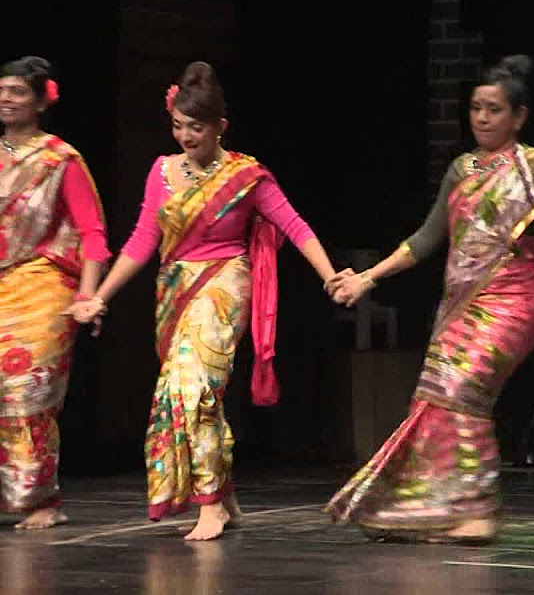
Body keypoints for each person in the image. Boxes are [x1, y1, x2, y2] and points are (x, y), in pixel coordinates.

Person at [325, 55, 534, 543]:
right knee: (439, 395)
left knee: (465, 388)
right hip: (466, 301)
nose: (481, 117)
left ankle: (476, 509)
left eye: (494, 109)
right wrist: (369, 277)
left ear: (517, 117)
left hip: (521, 297)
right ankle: (440, 508)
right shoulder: (462, 169)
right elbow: (427, 237)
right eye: (476, 108)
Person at [66, 61, 340, 541]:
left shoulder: (246, 176)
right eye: (177, 125)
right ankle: (226, 495)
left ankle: (209, 502)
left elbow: (295, 227)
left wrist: (331, 277)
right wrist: (98, 296)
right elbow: (140, 242)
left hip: (225, 283)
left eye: (196, 127)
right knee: (187, 393)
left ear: (220, 127)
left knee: (193, 385)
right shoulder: (162, 172)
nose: (185, 136)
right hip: (174, 289)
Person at [0, 56, 109, 530]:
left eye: (18, 92)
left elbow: (93, 232)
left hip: (45, 284)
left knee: (31, 391)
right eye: (2, 90)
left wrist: (88, 295)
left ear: (42, 101)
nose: (6, 98)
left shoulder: (60, 160)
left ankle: (41, 500)